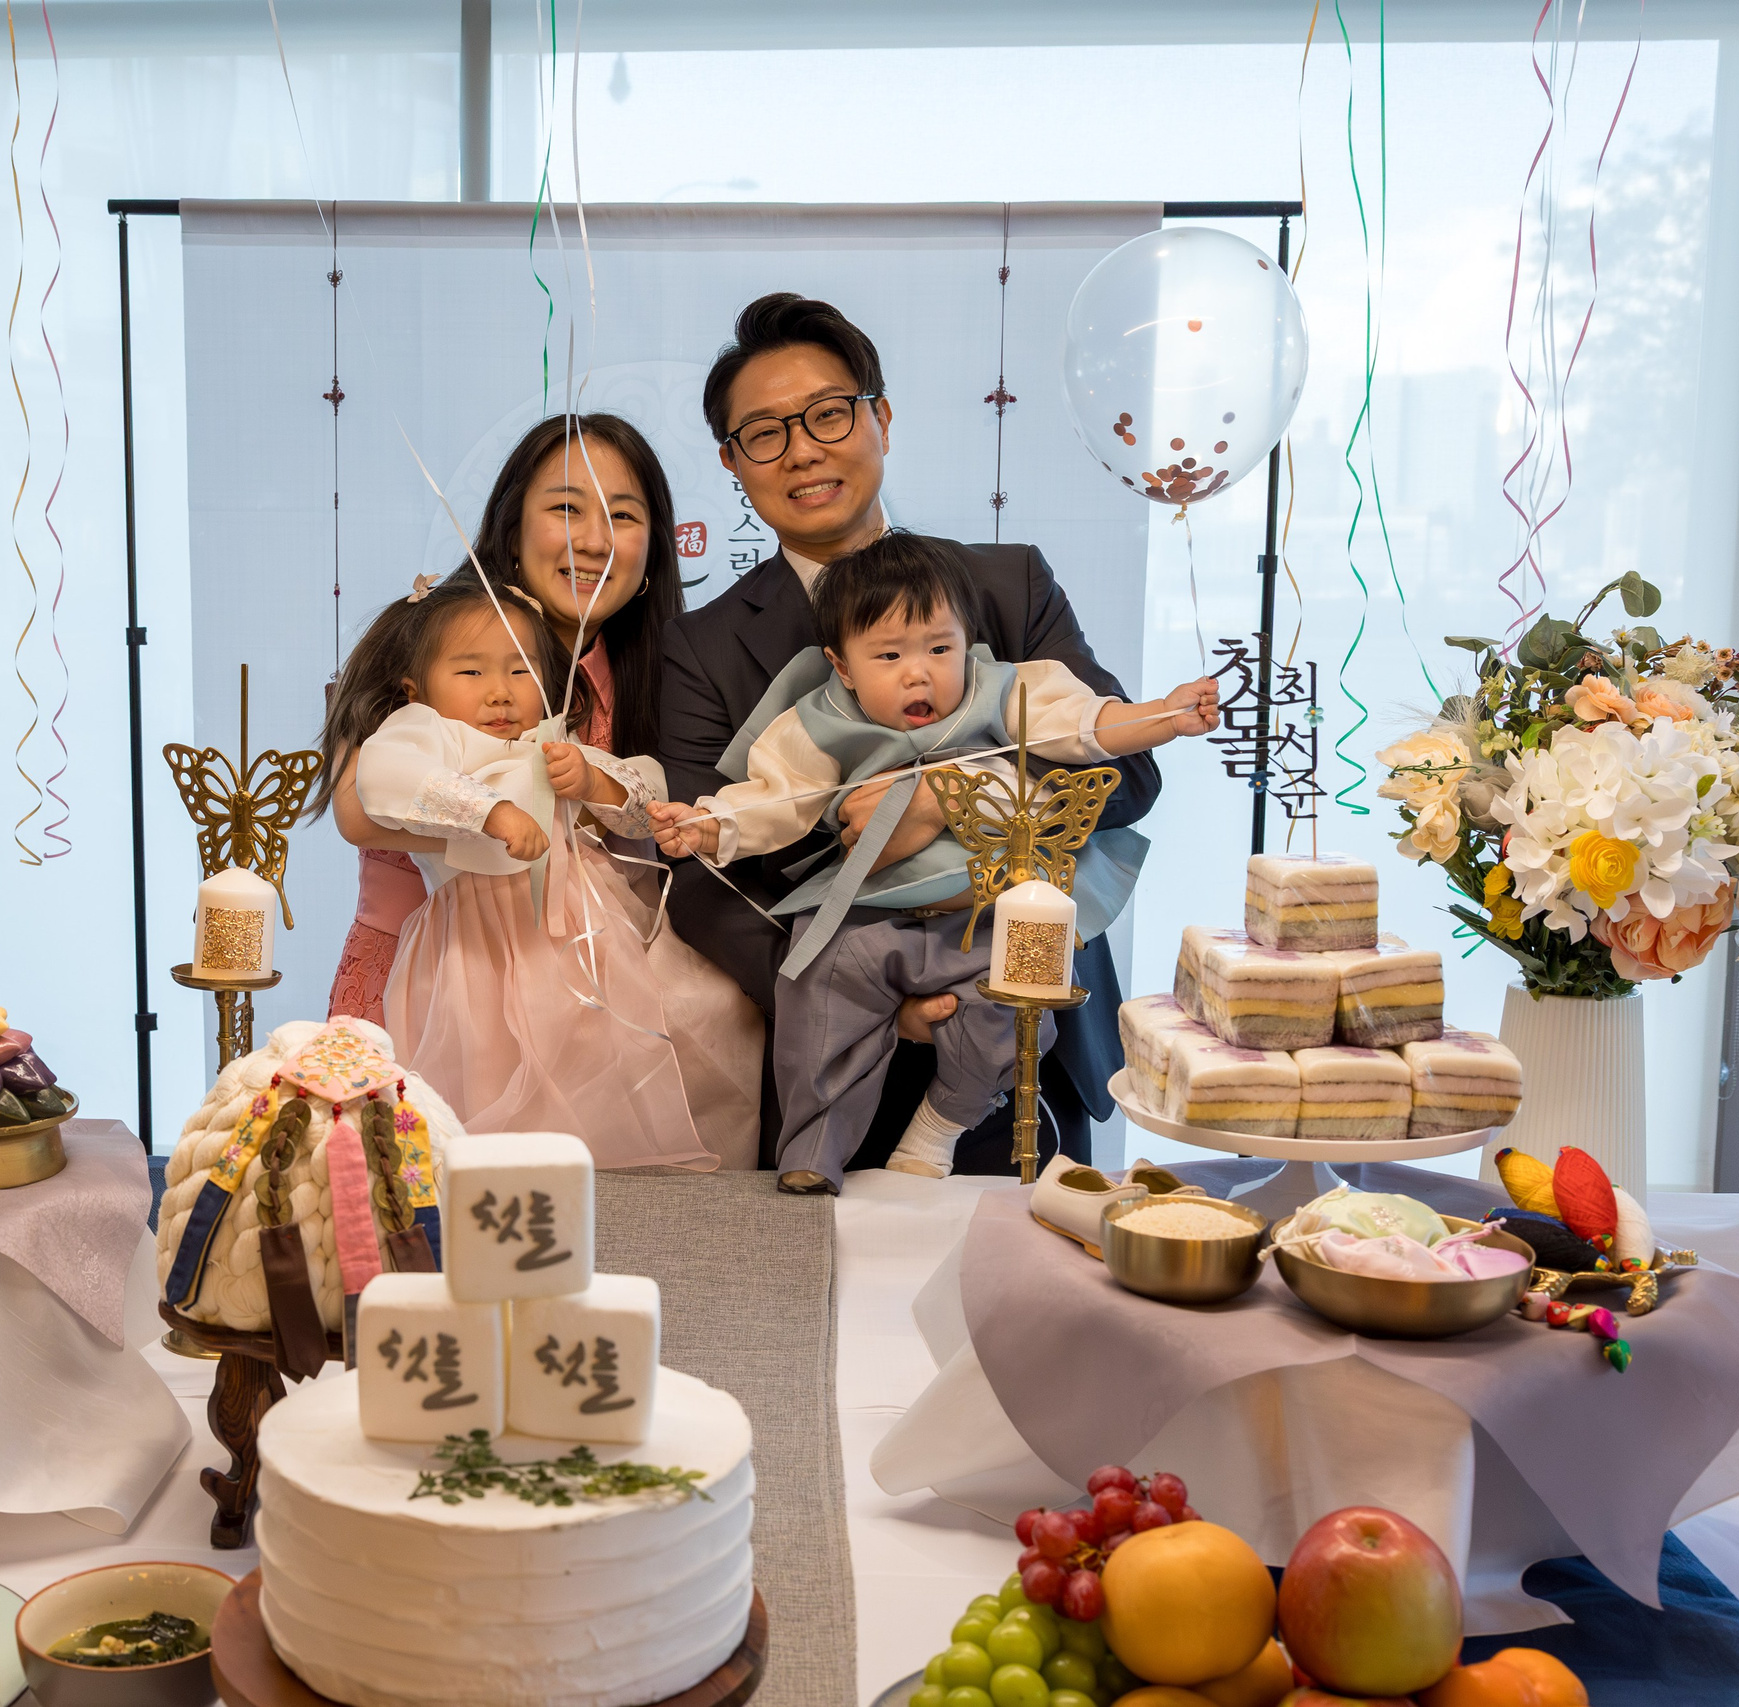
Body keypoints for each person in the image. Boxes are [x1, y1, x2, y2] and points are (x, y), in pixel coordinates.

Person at [660, 292, 1167, 1178]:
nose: (803, 450)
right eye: (766, 433)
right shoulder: (701, 646)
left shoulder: (1006, 585)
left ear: (881, 419)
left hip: (1025, 1036)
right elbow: (704, 885)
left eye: (827, 414)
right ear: (732, 462)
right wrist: (866, 1005)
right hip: (830, 1066)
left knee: (1033, 1270)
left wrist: (943, 799)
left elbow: (1127, 776)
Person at [652, 534, 1215, 1192]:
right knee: (817, 992)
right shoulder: (815, 721)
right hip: (870, 915)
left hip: (988, 913)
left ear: (967, 641)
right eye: (889, 656)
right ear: (841, 666)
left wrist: (1163, 715)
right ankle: (813, 1147)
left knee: (1017, 1003)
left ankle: (940, 1125)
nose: (918, 673)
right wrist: (709, 825)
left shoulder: (1004, 688)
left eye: (940, 649)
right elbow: (775, 799)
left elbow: (1085, 726)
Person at [326, 577, 762, 1170]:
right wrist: (491, 812)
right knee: (491, 1067)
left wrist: (592, 781)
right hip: (478, 948)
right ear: (415, 689)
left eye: (521, 671)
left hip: (592, 939)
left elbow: (644, 799)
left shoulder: (550, 741)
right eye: (471, 672)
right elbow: (385, 778)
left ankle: (623, 1189)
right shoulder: (428, 733)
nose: (500, 693)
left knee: (693, 1017)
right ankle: (508, 1194)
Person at [322, 414, 686, 1028]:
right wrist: (522, 816)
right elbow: (360, 811)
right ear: (512, 527)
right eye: (566, 509)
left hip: (579, 992)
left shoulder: (662, 672)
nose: (594, 541)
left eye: (623, 515)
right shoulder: (428, 636)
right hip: (427, 976)